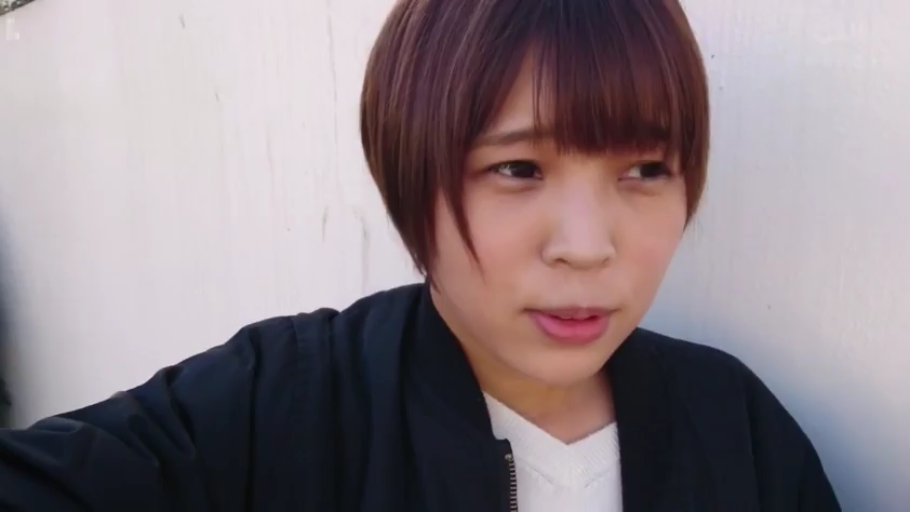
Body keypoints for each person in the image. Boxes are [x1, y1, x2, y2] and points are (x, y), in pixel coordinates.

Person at [0, 0, 840, 510]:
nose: (587, 248)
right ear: (409, 172)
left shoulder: (735, 429)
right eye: (519, 168)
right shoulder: (285, 407)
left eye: (646, 171)